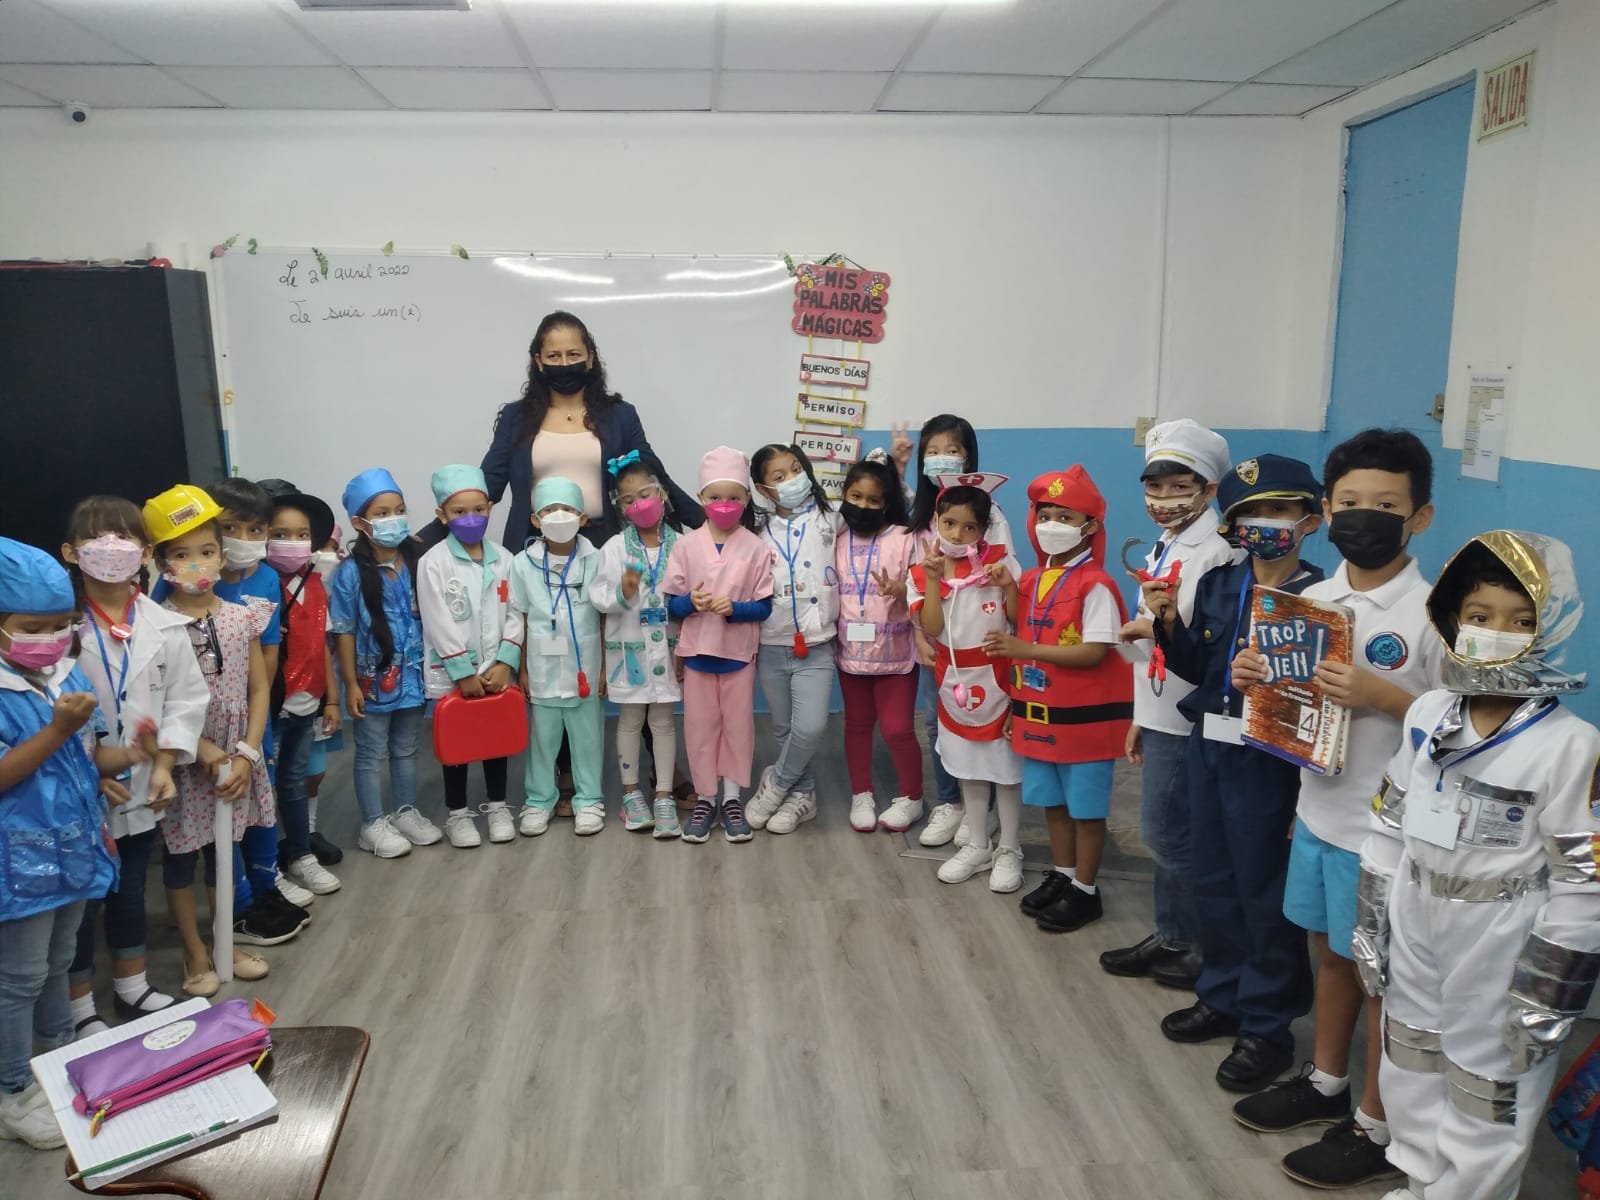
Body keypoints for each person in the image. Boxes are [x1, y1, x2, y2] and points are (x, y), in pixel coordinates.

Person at [1353, 530, 1598, 1200]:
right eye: (1480, 616)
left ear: (1551, 630)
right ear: (1452, 619)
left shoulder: (1571, 745)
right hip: (1416, 909)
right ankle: (1419, 1182)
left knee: (1489, 1081)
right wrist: (1372, 923)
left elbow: (1584, 884)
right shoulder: (1429, 713)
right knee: (1411, 1055)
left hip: (1500, 929)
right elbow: (1389, 822)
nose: (1496, 633)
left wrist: (1548, 991)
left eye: (1521, 622)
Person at [1229, 429, 1442, 1191]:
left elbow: (1463, 730)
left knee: (1381, 978)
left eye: (1385, 505)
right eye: (1350, 502)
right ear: (1326, 508)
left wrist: (1387, 696)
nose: (1364, 517)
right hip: (1320, 813)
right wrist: (1255, 677)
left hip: (1389, 835)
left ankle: (1378, 1124)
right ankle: (1327, 1082)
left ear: (1419, 517)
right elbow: (1289, 710)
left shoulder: (1434, 614)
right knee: (1329, 955)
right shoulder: (1311, 602)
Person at [1140, 455, 1325, 1093]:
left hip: (1269, 761)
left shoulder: (1320, 598)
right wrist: (1168, 622)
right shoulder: (1221, 582)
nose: (1262, 523)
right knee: (1211, 876)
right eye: (1250, 513)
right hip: (1210, 744)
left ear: (1309, 519)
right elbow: (1196, 665)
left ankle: (1267, 1024)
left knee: (1262, 889)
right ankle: (1221, 993)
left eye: (1278, 510)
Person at [61, 497, 209, 1036]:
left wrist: (165, 764)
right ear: (71, 553)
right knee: (80, 902)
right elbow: (45, 711)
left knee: (128, 888)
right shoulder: (58, 627)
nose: (111, 549)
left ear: (146, 553)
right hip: (78, 787)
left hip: (145, 783)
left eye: (124, 538)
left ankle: (132, 987)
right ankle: (79, 1008)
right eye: (96, 538)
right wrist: (92, 771)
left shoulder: (164, 625)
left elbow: (185, 701)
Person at [1100, 418, 1238, 992]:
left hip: (1188, 713)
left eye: (1180, 486)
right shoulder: (1167, 543)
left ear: (1209, 489)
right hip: (1160, 709)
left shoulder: (1219, 553)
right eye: (1154, 487)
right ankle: (1173, 933)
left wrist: (1151, 628)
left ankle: (1205, 946)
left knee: (1167, 833)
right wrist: (1141, 717)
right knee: (1169, 830)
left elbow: (1202, 641)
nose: (1164, 498)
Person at [0, 538, 124, 1149]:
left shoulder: (64, 675)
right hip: (17, 862)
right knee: (19, 976)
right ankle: (12, 1089)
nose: (49, 639)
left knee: (58, 960)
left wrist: (129, 757)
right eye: (31, 628)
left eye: (61, 625)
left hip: (71, 848)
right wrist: (58, 730)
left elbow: (88, 753)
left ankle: (58, 1054)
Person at [144, 485, 275, 995]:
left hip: (237, 755)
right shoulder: (156, 627)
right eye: (181, 555)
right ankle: (194, 950)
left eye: (206, 551)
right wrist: (197, 748)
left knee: (226, 852)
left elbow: (258, 688)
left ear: (222, 556)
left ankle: (224, 940)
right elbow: (156, 700)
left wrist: (247, 752)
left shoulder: (243, 617)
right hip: (183, 756)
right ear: (162, 564)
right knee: (181, 857)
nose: (197, 563)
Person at [998, 466, 1131, 929]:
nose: (1050, 525)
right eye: (1044, 515)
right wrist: (1015, 708)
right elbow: (1023, 627)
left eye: (1065, 517)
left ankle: (1086, 891)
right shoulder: (1033, 579)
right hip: (1040, 716)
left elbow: (1095, 652)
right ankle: (1064, 874)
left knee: (1086, 811)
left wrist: (1026, 651)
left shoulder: (1096, 585)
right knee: (1053, 804)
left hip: (1084, 724)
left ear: (1090, 526)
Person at [476, 310, 702, 545]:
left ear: (591, 358)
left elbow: (654, 476)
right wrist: (449, 521)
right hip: (534, 545)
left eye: (574, 354)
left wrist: (707, 522)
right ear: (539, 361)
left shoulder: (620, 415)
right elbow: (487, 485)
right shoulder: (515, 417)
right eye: (554, 356)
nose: (565, 364)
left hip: (606, 544)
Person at [907, 473, 1025, 891]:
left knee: (1006, 770)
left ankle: (1009, 847)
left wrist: (1008, 586)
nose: (958, 534)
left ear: (984, 528)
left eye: (970, 526)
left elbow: (1018, 619)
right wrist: (934, 580)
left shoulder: (1002, 564)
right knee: (968, 768)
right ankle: (977, 844)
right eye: (949, 523)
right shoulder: (923, 571)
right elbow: (932, 627)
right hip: (953, 683)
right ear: (936, 521)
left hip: (998, 681)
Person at [901, 415, 1014, 851]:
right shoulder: (918, 516)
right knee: (937, 724)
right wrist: (918, 634)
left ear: (968, 457)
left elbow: (1004, 582)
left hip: (981, 648)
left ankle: (983, 812)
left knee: (987, 728)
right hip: (937, 644)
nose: (941, 458)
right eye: (931, 451)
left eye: (951, 450)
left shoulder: (991, 515)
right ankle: (952, 802)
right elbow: (915, 584)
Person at [662, 446, 774, 844]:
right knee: (699, 729)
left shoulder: (756, 548)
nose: (724, 504)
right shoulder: (686, 546)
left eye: (733, 497)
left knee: (738, 728)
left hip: (738, 656)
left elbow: (763, 607)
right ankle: (706, 799)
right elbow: (672, 604)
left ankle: (731, 799)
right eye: (714, 497)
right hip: (697, 655)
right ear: (701, 498)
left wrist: (735, 609)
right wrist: (690, 602)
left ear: (746, 499)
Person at [331, 468, 438, 858]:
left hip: (412, 674)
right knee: (371, 750)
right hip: (371, 678)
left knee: (406, 747)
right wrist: (350, 683)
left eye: (399, 510)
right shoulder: (350, 573)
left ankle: (405, 811)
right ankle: (372, 822)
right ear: (360, 523)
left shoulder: (418, 560)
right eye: (381, 513)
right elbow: (343, 630)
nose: (393, 519)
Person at [418, 465, 516, 849]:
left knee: (496, 739)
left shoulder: (504, 559)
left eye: (479, 509)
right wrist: (461, 670)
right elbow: (437, 620)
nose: (471, 518)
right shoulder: (433, 562)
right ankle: (458, 814)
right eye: (459, 511)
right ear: (442, 515)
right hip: (454, 672)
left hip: (495, 670)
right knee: (457, 742)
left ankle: (498, 807)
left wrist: (505, 661)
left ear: (490, 508)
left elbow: (516, 613)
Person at [502, 476, 605, 837]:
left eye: (567, 509)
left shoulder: (596, 560)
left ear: (583, 518)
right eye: (549, 510)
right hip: (541, 667)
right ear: (535, 520)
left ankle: (589, 800)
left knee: (587, 739)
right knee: (543, 741)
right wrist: (521, 670)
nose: (559, 516)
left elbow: (605, 617)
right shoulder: (522, 564)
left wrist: (604, 668)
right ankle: (539, 800)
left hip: (584, 667)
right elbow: (519, 616)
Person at [746, 443, 841, 836]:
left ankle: (777, 785)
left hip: (816, 642)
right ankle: (803, 795)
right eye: (779, 476)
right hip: (772, 642)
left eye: (796, 469)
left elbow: (880, 518)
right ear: (763, 489)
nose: (792, 480)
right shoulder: (756, 534)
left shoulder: (830, 519)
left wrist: (897, 472)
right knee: (784, 728)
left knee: (810, 727)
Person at [591, 451, 685, 838]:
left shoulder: (683, 546)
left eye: (644, 494)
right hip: (628, 651)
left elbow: (689, 601)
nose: (639, 504)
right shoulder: (614, 548)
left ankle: (663, 795)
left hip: (670, 651)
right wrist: (623, 591)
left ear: (662, 493)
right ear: (620, 506)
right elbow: (599, 599)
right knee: (630, 721)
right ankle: (631, 795)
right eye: (628, 500)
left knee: (663, 722)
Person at [260, 482, 343, 897]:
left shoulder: (314, 583)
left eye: (301, 535)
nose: (292, 543)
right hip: (268, 704)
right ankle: (263, 868)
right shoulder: (258, 583)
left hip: (305, 701)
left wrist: (331, 698)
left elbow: (320, 645)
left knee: (295, 780)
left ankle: (300, 854)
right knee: (261, 789)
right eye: (280, 534)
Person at [832, 453, 923, 833]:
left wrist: (902, 589)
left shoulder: (905, 538)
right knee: (857, 724)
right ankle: (861, 794)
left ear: (887, 503)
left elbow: (925, 588)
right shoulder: (835, 538)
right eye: (855, 497)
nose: (863, 506)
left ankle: (912, 797)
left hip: (896, 654)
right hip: (850, 654)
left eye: (873, 500)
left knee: (898, 728)